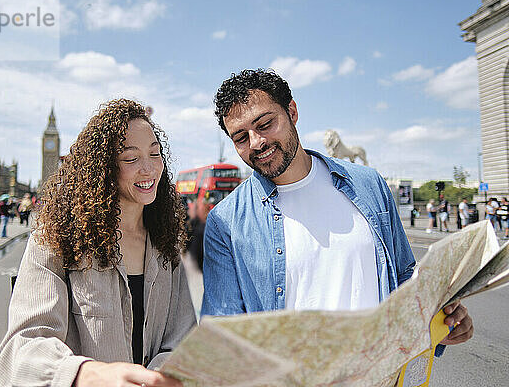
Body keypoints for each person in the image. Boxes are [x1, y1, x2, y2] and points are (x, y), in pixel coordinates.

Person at [201, 69, 473, 350]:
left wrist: (442, 321)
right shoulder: (225, 222)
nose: (256, 142)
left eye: (265, 124)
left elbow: (405, 277)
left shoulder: (369, 185)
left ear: (292, 112)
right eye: (241, 138)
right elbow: (223, 333)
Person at [0, 99, 195, 387]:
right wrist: (86, 374)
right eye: (131, 158)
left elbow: (183, 339)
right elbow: (21, 350)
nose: (149, 169)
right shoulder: (56, 240)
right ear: (104, 168)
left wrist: (158, 375)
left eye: (155, 154)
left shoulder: (167, 246)